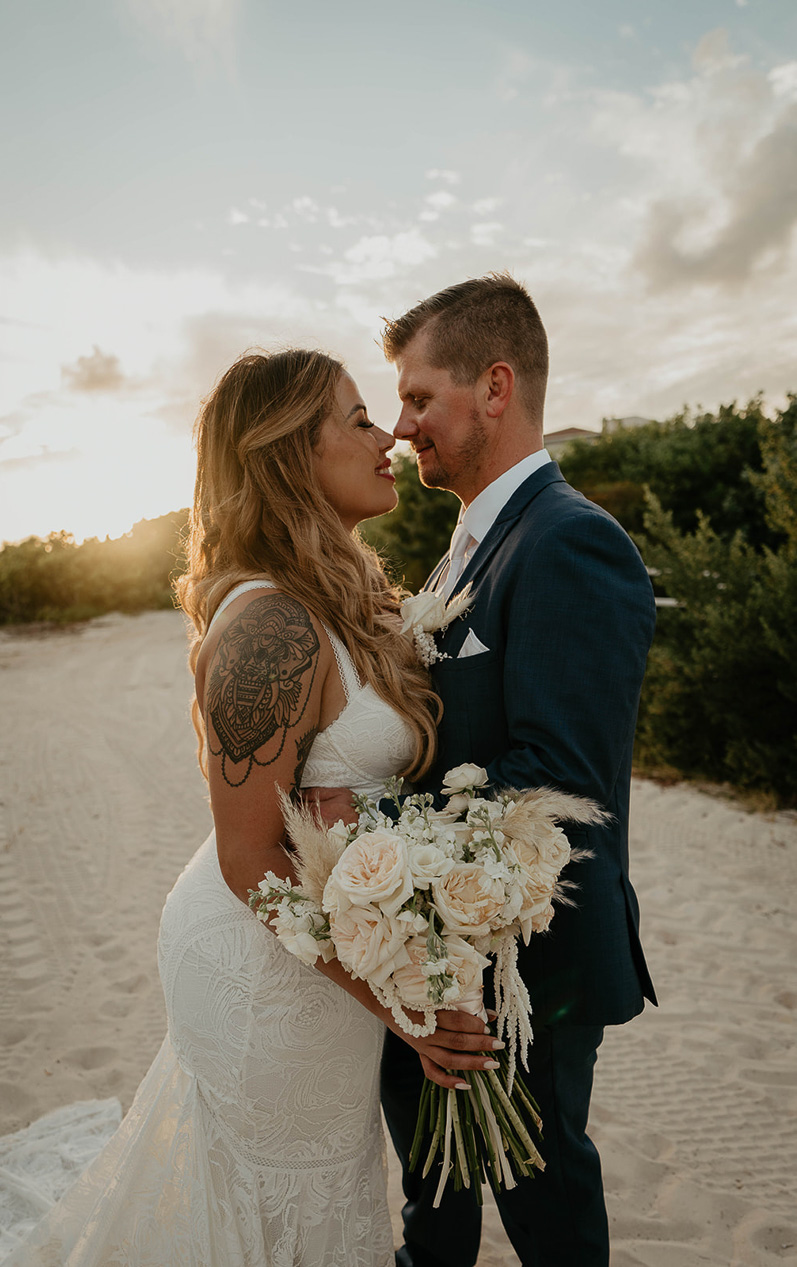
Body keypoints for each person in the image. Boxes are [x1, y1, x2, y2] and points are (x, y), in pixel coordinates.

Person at [0, 349, 500, 1267]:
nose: (389, 437)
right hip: (261, 963)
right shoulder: (269, 625)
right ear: (288, 452)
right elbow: (251, 858)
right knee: (271, 1201)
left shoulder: (343, 596)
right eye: (359, 418)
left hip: (324, 954)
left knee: (317, 1191)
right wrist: (402, 1008)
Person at [309, 275, 657, 1267]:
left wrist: (369, 856)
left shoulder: (567, 542)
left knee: (545, 1213)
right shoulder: (464, 550)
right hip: (429, 956)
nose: (402, 423)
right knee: (434, 1211)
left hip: (523, 969)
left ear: (493, 388)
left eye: (418, 397)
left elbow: (558, 777)